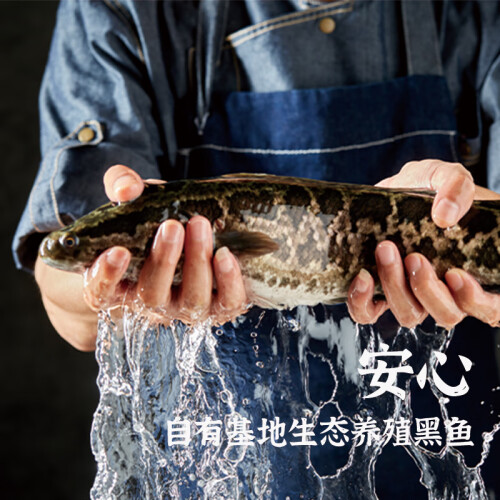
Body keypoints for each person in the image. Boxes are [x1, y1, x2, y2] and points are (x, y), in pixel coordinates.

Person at [13, 0, 500, 496]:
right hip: (221, 458)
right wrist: (103, 291)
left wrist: (466, 211)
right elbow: (68, 304)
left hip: (440, 435)